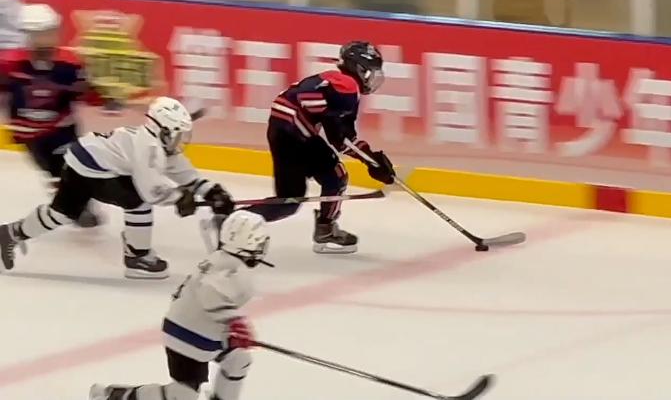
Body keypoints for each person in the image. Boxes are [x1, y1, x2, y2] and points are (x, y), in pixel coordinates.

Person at [0, 96, 235, 279]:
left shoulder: (156, 142)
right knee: (138, 202)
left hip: (80, 160)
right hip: (94, 170)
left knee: (61, 213)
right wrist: (179, 198)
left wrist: (211, 191)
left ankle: (10, 233)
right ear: (163, 130)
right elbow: (151, 190)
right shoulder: (149, 147)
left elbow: (186, 175)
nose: (180, 140)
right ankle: (137, 257)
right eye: (176, 134)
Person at [208, 41, 395, 255]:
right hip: (293, 136)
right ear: (360, 69)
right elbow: (340, 137)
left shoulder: (335, 81)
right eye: (371, 72)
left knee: (331, 178)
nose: (372, 78)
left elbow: (341, 135)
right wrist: (372, 161)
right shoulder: (347, 86)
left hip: (289, 132)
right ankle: (232, 223)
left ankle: (324, 229)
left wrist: (371, 159)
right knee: (291, 200)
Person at [90, 210, 270, 400]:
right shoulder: (236, 271)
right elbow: (209, 292)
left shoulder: (220, 258)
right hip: (188, 337)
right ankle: (115, 396)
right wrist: (236, 323)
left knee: (239, 360)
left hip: (197, 331)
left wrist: (231, 328)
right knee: (183, 395)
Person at [0, 3, 109, 227]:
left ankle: (78, 205)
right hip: (30, 136)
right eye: (39, 34)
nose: (45, 39)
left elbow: (87, 93)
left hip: (63, 130)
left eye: (49, 32)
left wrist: (102, 96)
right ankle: (71, 205)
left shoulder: (69, 64)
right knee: (53, 171)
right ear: (27, 35)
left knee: (73, 166)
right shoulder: (9, 64)